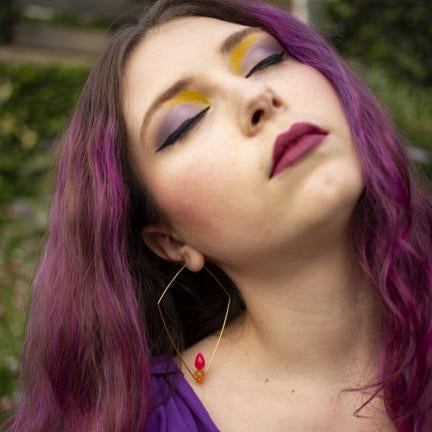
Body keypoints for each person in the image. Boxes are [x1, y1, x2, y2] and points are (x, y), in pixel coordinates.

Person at [3, 0, 432, 431]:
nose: (255, 95)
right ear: (171, 241)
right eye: (185, 122)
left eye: (265, 60)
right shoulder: (133, 422)